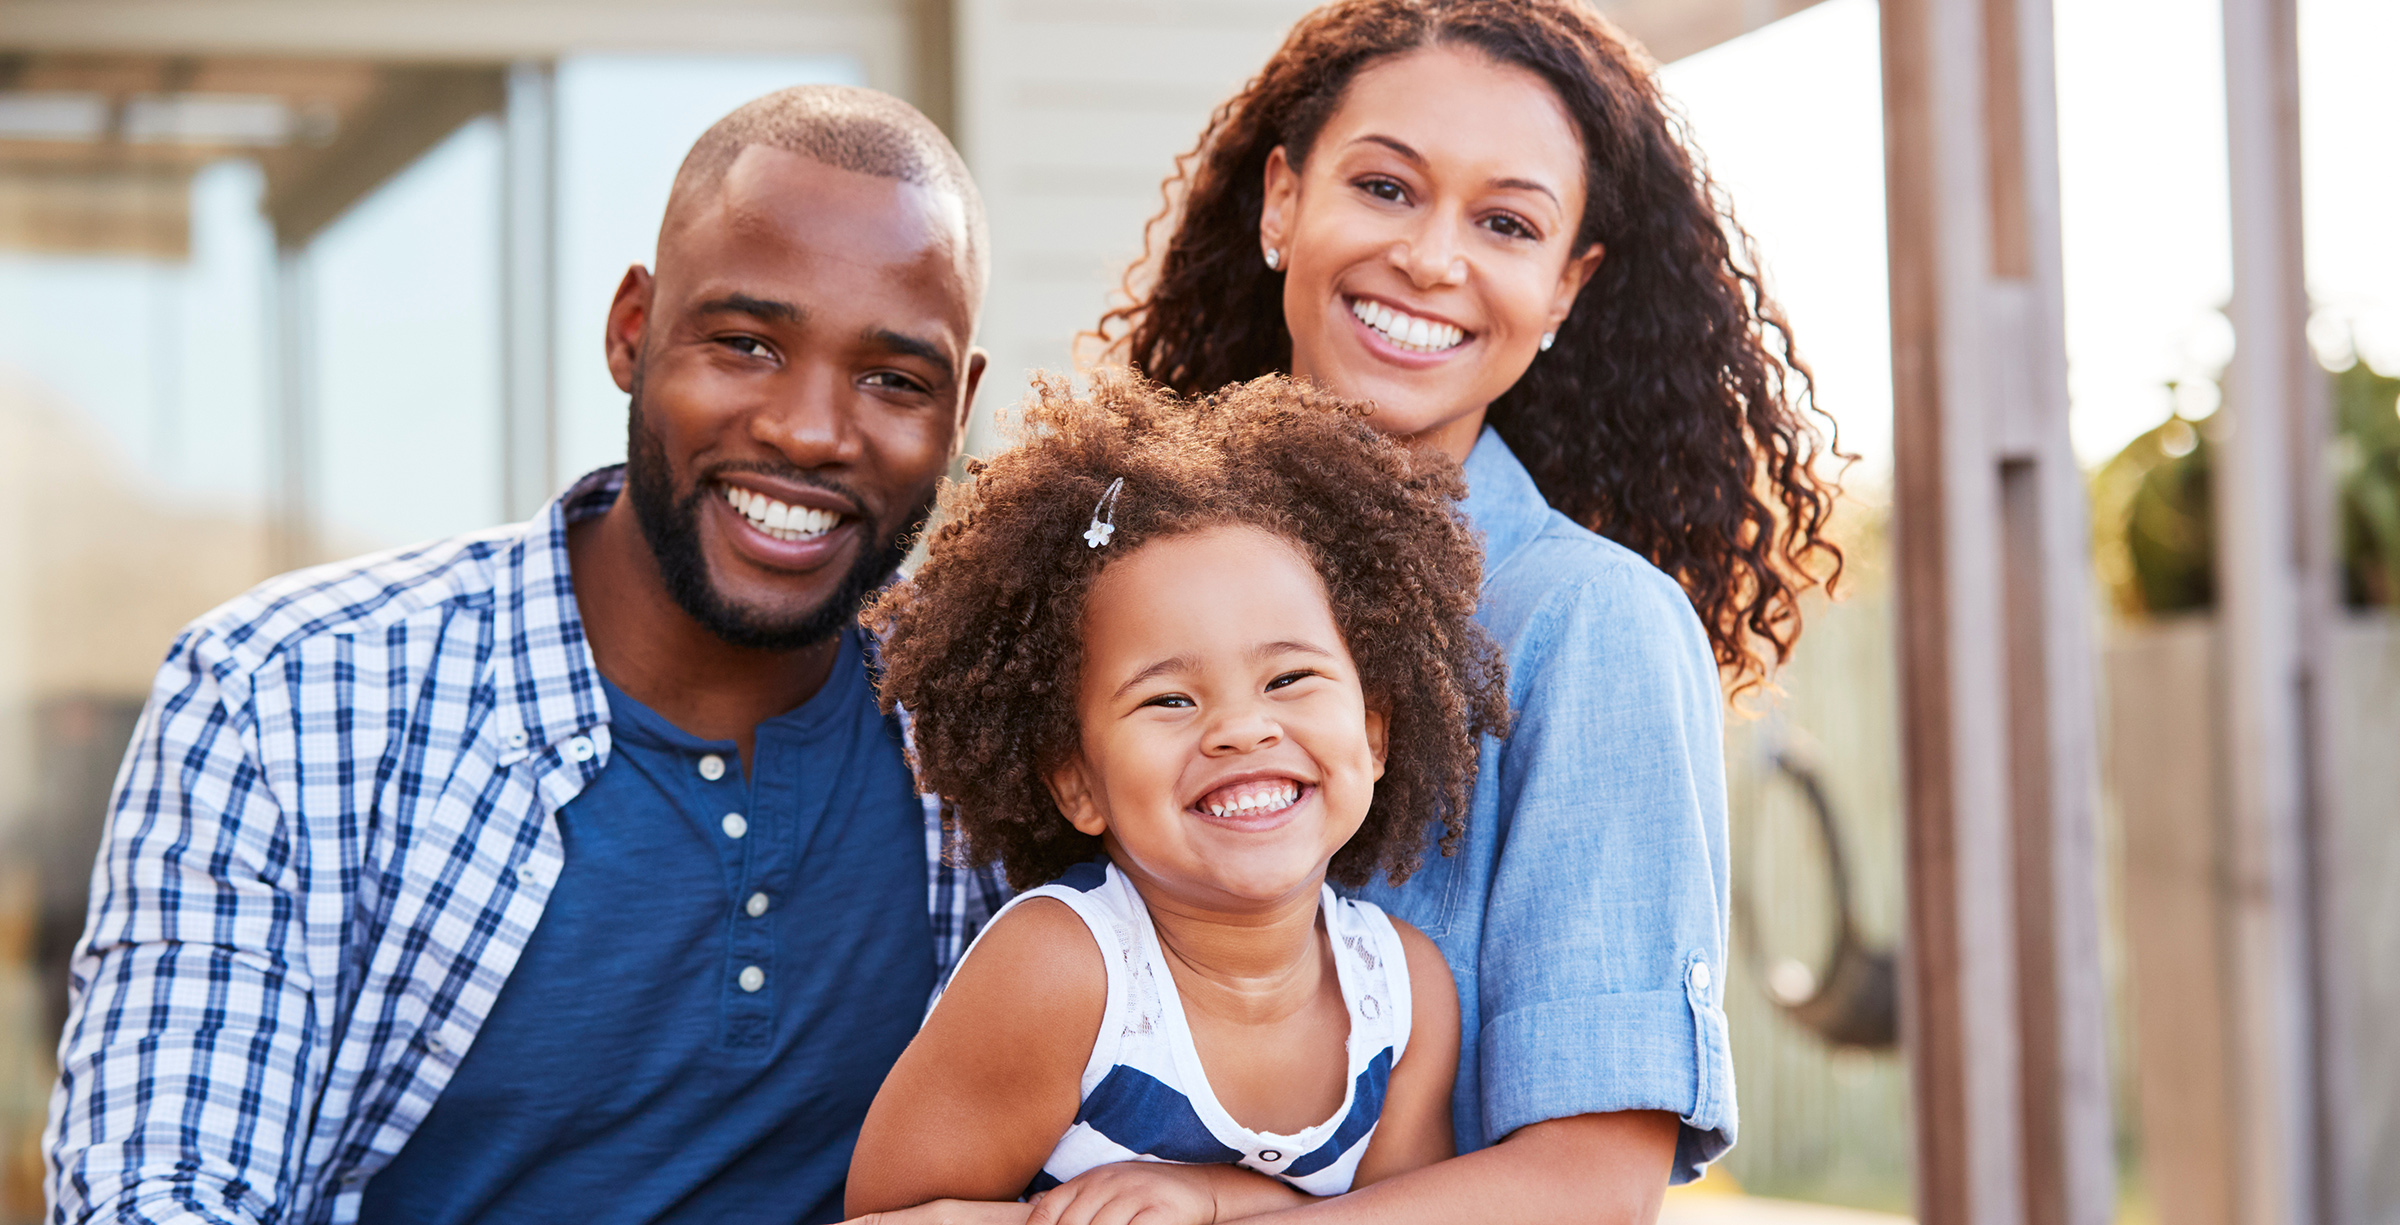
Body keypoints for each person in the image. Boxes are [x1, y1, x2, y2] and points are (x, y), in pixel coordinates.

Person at [43, 85, 1008, 1225]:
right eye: (747, 343)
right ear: (631, 330)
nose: (808, 429)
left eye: (893, 379)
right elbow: (157, 1200)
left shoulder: (1000, 735)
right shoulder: (282, 703)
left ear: (960, 410)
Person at [1081, 1, 1847, 1220]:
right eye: (1385, 189)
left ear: (1564, 287)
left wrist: (1228, 1211)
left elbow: (1587, 1184)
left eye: (1506, 222)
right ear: (1282, 200)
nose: (1434, 258)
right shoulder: (1116, 564)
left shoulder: (1590, 628)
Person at [846, 373, 1508, 1223]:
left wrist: (1215, 1198)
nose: (1241, 728)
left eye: (1290, 677)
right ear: (1076, 780)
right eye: (1169, 699)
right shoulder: (1064, 972)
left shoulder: (1404, 993)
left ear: (1374, 733)